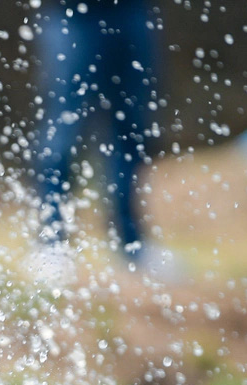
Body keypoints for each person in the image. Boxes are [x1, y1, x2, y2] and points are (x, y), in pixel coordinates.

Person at [31, 0, 165, 272]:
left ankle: (133, 245)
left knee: (131, 131)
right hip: (71, 15)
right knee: (61, 134)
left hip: (131, 11)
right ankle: (52, 243)